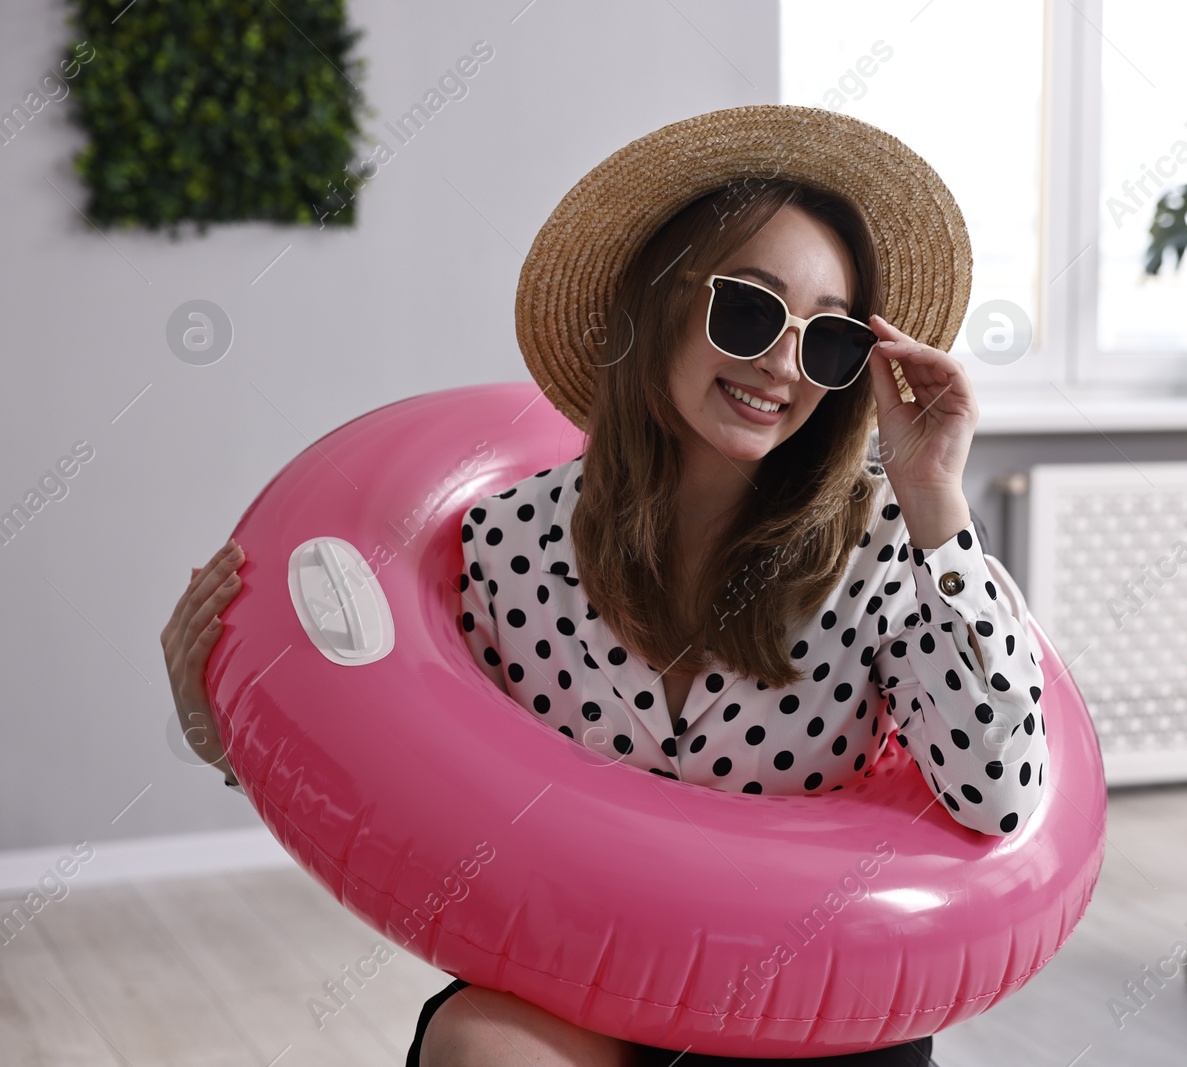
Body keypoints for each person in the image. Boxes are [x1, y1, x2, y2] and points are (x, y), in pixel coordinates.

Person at [163, 104, 1048, 1066]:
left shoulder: (884, 548)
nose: (781, 363)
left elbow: (998, 794)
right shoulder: (506, 543)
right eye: (747, 310)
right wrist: (225, 732)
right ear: (662, 302)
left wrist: (933, 494)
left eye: (828, 340)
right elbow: (400, 776)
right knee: (478, 1042)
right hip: (582, 983)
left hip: (809, 1011)